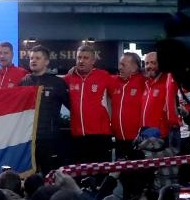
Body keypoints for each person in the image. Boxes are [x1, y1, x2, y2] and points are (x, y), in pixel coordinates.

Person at [19, 44, 72, 174]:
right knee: (29, 176)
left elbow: (73, 107)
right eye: (31, 58)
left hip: (49, 138)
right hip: (28, 140)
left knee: (51, 175)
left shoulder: (58, 83)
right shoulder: (23, 82)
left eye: (37, 58)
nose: (33, 60)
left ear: (46, 62)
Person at [64, 40, 118, 165]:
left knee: (100, 173)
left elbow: (119, 93)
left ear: (93, 61)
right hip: (77, 135)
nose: (81, 61)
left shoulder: (103, 76)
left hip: (100, 135)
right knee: (80, 174)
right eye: (79, 57)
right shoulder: (69, 78)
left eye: (85, 58)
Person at [111, 51, 154, 147]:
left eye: (123, 65)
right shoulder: (113, 81)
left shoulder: (145, 82)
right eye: (119, 64)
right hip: (118, 138)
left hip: (139, 139)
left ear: (134, 67)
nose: (119, 68)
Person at [140, 51, 179, 143]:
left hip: (164, 136)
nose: (149, 66)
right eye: (147, 63)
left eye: (153, 63)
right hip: (146, 136)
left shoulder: (170, 82)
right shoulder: (146, 84)